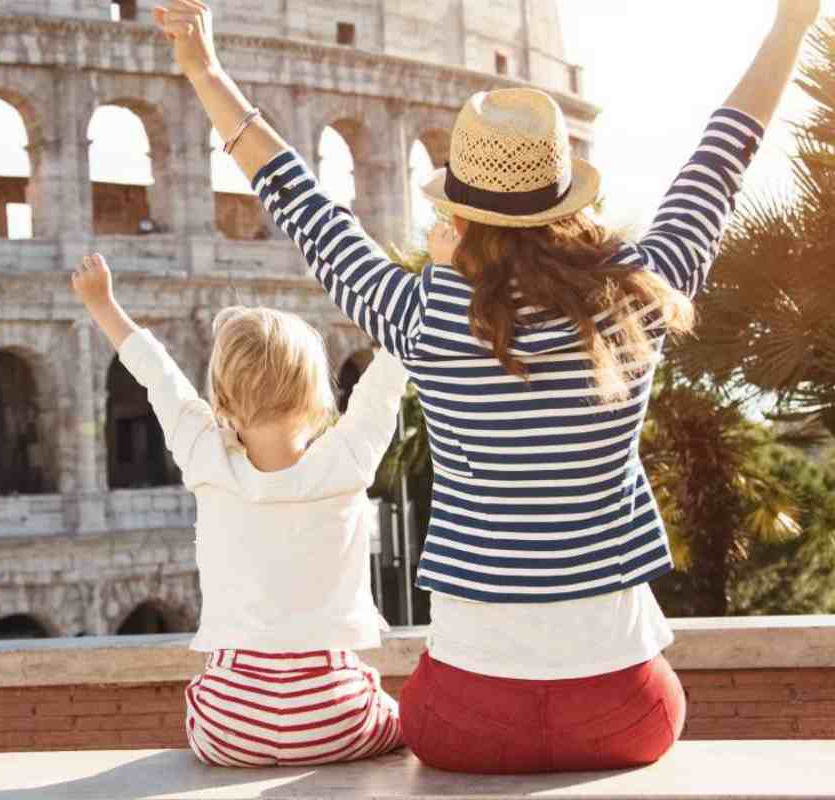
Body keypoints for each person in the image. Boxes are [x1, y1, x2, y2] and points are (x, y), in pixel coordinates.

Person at [155, 0, 822, 774]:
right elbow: (723, 157)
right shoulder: (637, 298)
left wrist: (206, 72)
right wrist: (788, 29)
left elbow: (302, 204)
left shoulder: (422, 316)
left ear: (461, 213)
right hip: (624, 712)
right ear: (566, 197)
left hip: (466, 719)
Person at [72, 253, 408, 766]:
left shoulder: (205, 456)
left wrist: (103, 304)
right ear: (319, 396)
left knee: (207, 708)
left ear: (222, 400)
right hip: (335, 715)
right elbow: (385, 381)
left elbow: (157, 374)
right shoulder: (347, 461)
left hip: (229, 724)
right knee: (404, 713)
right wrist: (447, 273)